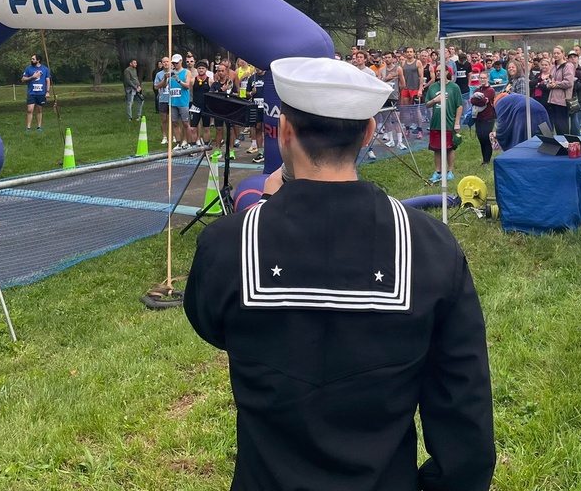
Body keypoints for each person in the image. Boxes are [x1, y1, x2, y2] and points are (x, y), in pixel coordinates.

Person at [184, 57, 496, 491]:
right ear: (369, 133)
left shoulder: (226, 244)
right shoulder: (432, 245)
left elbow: (210, 323)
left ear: (285, 132)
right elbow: (465, 409)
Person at [424, 61, 463, 183]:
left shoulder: (454, 87)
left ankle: (450, 171)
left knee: (449, 148)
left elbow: (459, 105)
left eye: (441, 71)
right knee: (436, 148)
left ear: (447, 72)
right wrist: (435, 100)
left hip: (449, 122)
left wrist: (457, 122)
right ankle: (438, 171)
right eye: (437, 71)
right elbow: (427, 104)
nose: (438, 73)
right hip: (436, 123)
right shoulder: (433, 87)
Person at [545, 46, 575, 135]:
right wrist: (549, 84)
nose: (556, 55)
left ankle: (566, 144)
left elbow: (569, 82)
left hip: (562, 100)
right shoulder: (553, 67)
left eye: (558, 53)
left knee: (562, 125)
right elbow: (550, 79)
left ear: (563, 54)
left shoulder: (568, 66)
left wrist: (556, 84)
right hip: (552, 99)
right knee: (556, 125)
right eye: (554, 53)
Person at [471, 71, 496, 165]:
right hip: (478, 118)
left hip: (488, 117)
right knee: (480, 138)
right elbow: (472, 100)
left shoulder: (490, 90)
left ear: (488, 78)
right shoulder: (477, 90)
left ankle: (487, 160)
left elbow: (484, 102)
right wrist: (478, 100)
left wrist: (478, 100)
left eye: (484, 78)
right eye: (481, 78)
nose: (482, 79)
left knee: (486, 138)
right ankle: (484, 159)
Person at [22, 54, 51, 132]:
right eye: (31, 59)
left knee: (39, 110)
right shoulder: (28, 69)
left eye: (33, 59)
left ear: (38, 60)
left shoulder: (45, 69)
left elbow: (48, 80)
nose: (31, 60)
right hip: (31, 93)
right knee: (30, 110)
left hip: (41, 93)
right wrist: (33, 77)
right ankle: (28, 128)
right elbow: (23, 79)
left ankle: (39, 127)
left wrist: (47, 92)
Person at [153, 56, 172, 145]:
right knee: (163, 119)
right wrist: (164, 79)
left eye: (167, 61)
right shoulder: (159, 74)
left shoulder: (174, 72)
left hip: (172, 99)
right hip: (163, 99)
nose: (165, 63)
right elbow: (156, 86)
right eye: (163, 62)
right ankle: (164, 136)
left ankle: (174, 136)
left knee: (173, 119)